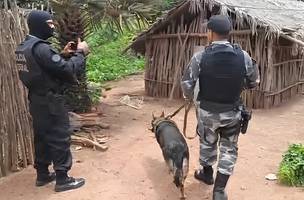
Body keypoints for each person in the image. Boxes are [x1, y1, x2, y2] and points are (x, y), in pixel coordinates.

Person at [181, 15, 260, 200]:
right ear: (228, 33)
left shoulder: (200, 56)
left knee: (207, 143)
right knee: (229, 149)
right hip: (232, 112)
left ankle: (207, 175)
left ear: (210, 33)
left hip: (208, 113)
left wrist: (190, 97)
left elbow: (186, 84)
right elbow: (253, 82)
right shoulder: (244, 56)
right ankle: (219, 190)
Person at [15, 10, 90, 192]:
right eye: (50, 24)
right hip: (51, 100)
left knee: (42, 136)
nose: (53, 27)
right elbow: (67, 71)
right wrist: (80, 53)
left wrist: (63, 55)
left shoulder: (24, 47)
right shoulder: (42, 48)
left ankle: (42, 174)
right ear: (40, 25)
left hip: (36, 99)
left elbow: (45, 67)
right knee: (59, 136)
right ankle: (63, 179)